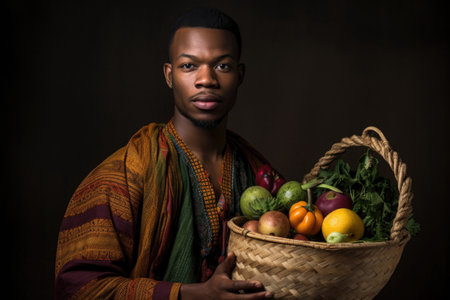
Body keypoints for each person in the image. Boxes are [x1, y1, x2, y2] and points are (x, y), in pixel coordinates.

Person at [55, 7, 279, 300]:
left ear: (240, 75)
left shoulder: (260, 173)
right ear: (169, 75)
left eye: (222, 66)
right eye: (189, 66)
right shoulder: (125, 176)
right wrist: (189, 294)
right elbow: (79, 288)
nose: (206, 79)